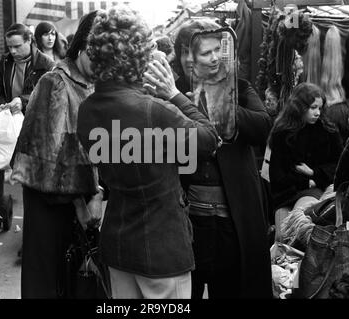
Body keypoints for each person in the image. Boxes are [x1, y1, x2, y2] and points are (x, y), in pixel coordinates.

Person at [77, 6, 219, 299]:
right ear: (137, 56)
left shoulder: (87, 110)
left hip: (117, 244)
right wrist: (174, 94)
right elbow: (208, 139)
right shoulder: (154, 110)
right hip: (161, 248)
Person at [172, 19, 273, 298]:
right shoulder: (171, 91)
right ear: (185, 54)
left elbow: (264, 126)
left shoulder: (239, 86)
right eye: (206, 51)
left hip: (233, 218)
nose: (215, 57)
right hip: (188, 221)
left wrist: (219, 106)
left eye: (219, 48)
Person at [10, 11, 102, 299]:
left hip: (74, 203)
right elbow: (52, 159)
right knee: (52, 283)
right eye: (97, 56)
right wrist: (84, 205)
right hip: (52, 205)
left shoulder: (88, 82)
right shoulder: (57, 83)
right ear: (83, 47)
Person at [269, 83, 343, 216]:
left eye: (320, 108)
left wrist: (314, 174)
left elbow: (339, 164)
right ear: (299, 107)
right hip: (287, 194)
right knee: (283, 230)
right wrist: (305, 182)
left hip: (321, 188)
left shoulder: (328, 129)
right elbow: (277, 174)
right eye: (313, 108)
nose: (318, 113)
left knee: (304, 217)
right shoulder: (282, 133)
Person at [0, 23, 55, 115]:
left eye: (17, 46)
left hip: (35, 120)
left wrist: (23, 101)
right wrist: (0, 105)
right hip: (10, 119)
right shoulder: (5, 61)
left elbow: (47, 94)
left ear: (29, 40)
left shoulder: (46, 63)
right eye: (10, 47)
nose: (13, 51)